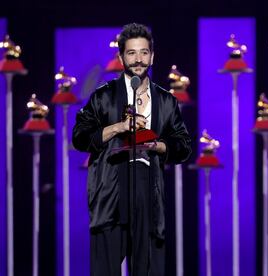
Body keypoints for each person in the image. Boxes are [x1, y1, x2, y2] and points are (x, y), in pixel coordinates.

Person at [72, 23, 191, 276]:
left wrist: (159, 145)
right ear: (121, 56)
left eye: (144, 52)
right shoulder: (103, 96)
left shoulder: (166, 101)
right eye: (131, 53)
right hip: (111, 191)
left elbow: (183, 146)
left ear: (152, 56)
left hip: (149, 193)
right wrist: (118, 127)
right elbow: (80, 137)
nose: (138, 59)